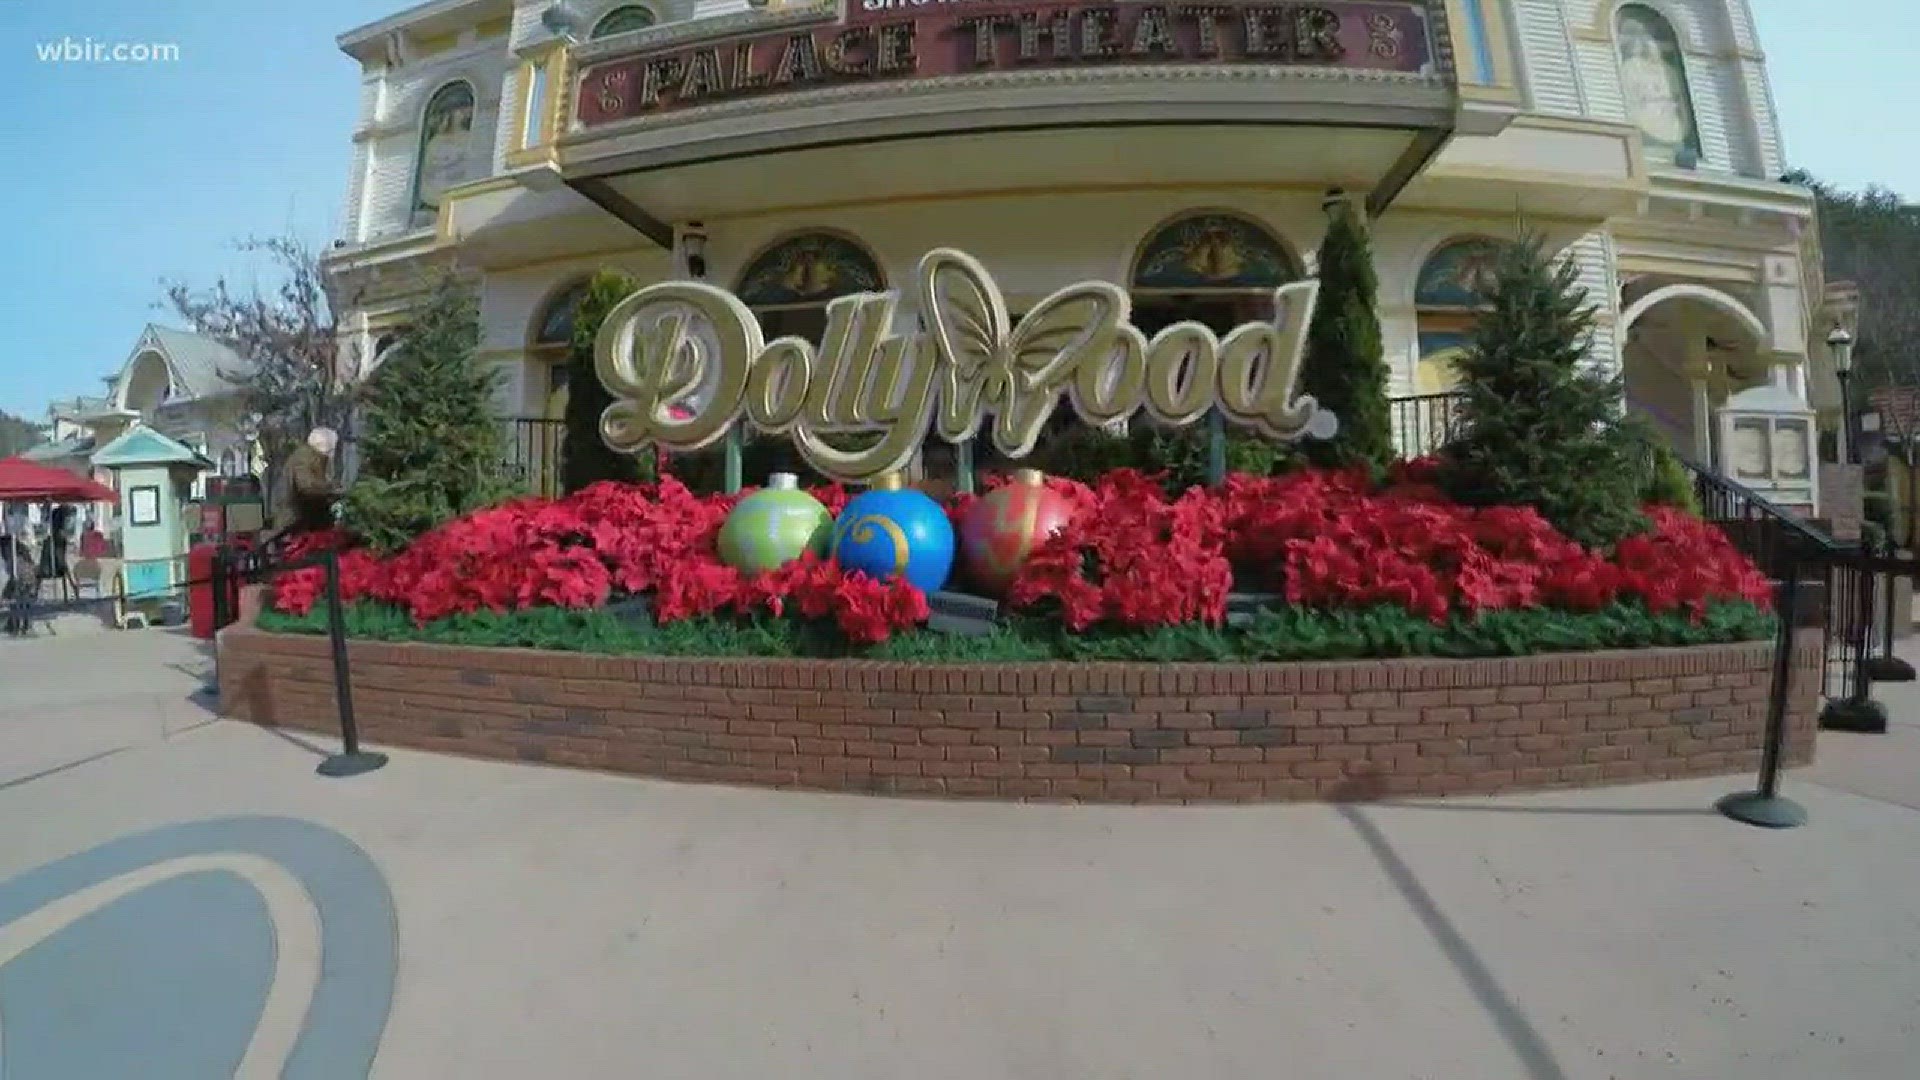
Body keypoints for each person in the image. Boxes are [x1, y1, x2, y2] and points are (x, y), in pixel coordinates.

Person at [274, 427, 344, 541]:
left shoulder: (310, 457)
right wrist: (333, 491)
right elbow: (307, 487)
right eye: (332, 446)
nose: (333, 450)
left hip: (302, 520)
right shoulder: (305, 459)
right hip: (298, 522)